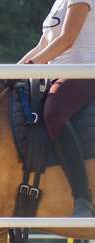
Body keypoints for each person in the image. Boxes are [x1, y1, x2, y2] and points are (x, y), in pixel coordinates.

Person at [19, 0, 95, 217]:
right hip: (58, 73)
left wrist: (32, 67)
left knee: (53, 113)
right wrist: (12, 72)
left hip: (85, 71)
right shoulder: (59, 3)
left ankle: (82, 198)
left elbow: (67, 39)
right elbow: (42, 45)